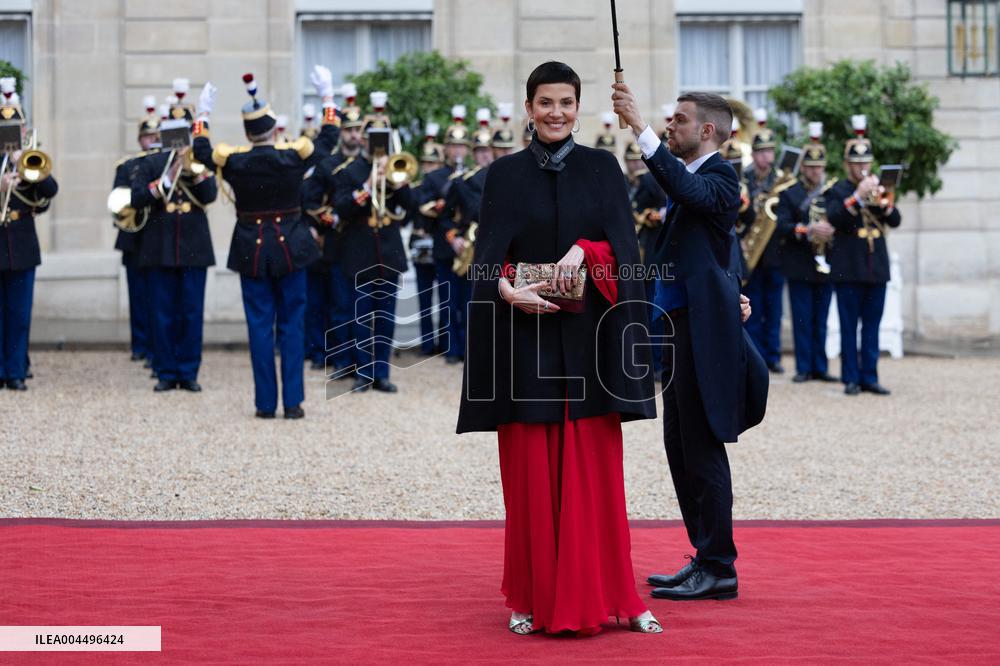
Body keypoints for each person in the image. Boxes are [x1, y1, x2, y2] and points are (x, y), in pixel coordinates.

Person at [459, 61, 662, 636]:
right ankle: (529, 596)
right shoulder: (502, 175)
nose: (556, 113)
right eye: (545, 102)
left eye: (566, 102)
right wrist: (507, 289)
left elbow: (626, 255)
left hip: (591, 346)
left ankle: (618, 595)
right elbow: (488, 260)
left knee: (596, 477)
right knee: (530, 475)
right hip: (524, 343)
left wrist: (585, 251)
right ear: (529, 108)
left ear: (578, 107)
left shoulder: (603, 168)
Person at [612, 81, 766, 602]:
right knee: (679, 446)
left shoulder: (721, 175)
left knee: (701, 447)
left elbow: (688, 193)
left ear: (706, 130)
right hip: (679, 327)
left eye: (679, 119)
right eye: (668, 119)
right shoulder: (696, 178)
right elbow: (719, 249)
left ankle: (720, 567)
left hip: (699, 333)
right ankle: (704, 555)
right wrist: (730, 289)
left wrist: (640, 127)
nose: (670, 125)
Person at [191, 68, 341, 418]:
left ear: (247, 133)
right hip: (291, 247)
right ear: (274, 130)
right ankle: (293, 402)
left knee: (259, 328)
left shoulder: (235, 161)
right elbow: (328, 139)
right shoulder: (293, 156)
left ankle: (264, 404)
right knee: (292, 326)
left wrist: (202, 114)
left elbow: (200, 150)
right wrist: (328, 96)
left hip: (251, 248)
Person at [131, 81, 218, 393]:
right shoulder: (153, 162)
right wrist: (166, 179)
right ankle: (166, 371)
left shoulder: (200, 162)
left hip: (193, 245)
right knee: (162, 312)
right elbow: (137, 198)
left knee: (191, 313)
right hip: (160, 245)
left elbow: (210, 195)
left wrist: (192, 169)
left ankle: (188, 370)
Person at [331, 92, 413, 393]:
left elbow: (411, 205)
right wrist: (367, 186)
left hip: (388, 254)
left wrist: (398, 183)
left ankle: (382, 373)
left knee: (386, 318)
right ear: (363, 140)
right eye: (372, 139)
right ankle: (363, 372)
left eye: (382, 139)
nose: (376, 144)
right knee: (362, 317)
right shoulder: (350, 171)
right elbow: (341, 208)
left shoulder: (393, 169)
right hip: (360, 253)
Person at [825, 114, 901, 396]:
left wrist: (885, 202)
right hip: (848, 266)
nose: (862, 167)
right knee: (848, 326)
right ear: (848, 164)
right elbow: (835, 218)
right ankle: (850, 378)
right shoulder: (839, 189)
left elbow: (895, 220)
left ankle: (870, 376)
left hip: (875, 266)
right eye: (857, 163)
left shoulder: (879, 189)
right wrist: (857, 196)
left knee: (872, 326)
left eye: (866, 162)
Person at [0, 79, 58, 391]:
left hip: (22, 244)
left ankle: (15, 371)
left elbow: (51, 190)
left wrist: (23, 164)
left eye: (16, 129)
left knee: (19, 314)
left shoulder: (29, 158)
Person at [301, 94, 365, 375]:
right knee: (339, 306)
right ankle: (341, 360)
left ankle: (364, 362)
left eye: (357, 130)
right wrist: (333, 218)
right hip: (337, 242)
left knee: (363, 308)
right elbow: (311, 202)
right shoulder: (327, 165)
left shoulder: (372, 165)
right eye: (348, 130)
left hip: (364, 242)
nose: (353, 135)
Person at [775, 123, 838, 384]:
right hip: (800, 263)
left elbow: (841, 220)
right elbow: (782, 226)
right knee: (802, 319)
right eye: (811, 167)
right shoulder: (791, 193)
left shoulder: (832, 192)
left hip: (825, 263)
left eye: (819, 167)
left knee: (821, 320)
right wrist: (808, 229)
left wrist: (831, 229)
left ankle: (820, 367)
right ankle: (803, 367)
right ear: (803, 168)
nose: (815, 171)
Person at [416, 106, 469, 364]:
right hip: (444, 244)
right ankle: (451, 347)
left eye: (461, 146)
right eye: (453, 146)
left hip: (469, 245)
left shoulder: (473, 175)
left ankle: (468, 347)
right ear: (445, 148)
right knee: (448, 299)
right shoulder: (435, 177)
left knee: (468, 301)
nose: (457, 150)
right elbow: (423, 205)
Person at [112, 96, 160, 366]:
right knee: (138, 294)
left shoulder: (165, 164)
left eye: (156, 136)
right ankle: (139, 344)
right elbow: (118, 200)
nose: (152, 140)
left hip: (158, 235)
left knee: (157, 296)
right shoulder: (127, 166)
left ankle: (155, 346)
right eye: (148, 136)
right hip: (134, 238)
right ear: (140, 139)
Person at [740, 109, 785, 373]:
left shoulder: (780, 180)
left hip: (775, 253)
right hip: (750, 253)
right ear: (754, 153)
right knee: (752, 306)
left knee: (774, 308)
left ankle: (774, 356)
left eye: (770, 151)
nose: (767, 156)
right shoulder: (744, 177)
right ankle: (756, 356)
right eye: (762, 152)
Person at [624, 139, 667, 377]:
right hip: (644, 254)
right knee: (646, 309)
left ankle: (658, 362)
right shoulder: (646, 180)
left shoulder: (661, 177)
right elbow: (635, 212)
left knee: (657, 310)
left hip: (659, 255)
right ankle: (649, 362)